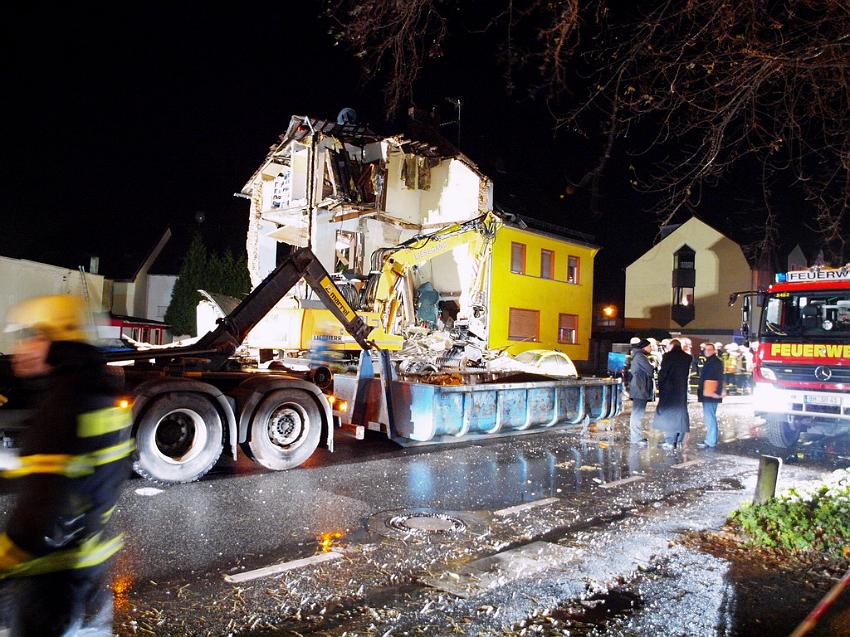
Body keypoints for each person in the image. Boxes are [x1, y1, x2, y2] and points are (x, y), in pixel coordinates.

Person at [0, 295, 133, 635]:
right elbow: (90, 472)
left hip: (52, 590)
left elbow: (41, 512)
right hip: (90, 575)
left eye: (32, 336)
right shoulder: (100, 392)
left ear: (56, 340)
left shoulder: (64, 404)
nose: (22, 347)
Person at [653, 338, 692, 449]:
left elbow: (663, 373)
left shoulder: (668, 356)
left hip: (669, 390)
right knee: (681, 414)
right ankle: (679, 440)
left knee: (669, 415)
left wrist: (660, 384)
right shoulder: (688, 357)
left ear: (672, 346)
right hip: (681, 391)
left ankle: (670, 441)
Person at [627, 339, 655, 446]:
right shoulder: (640, 357)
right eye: (650, 346)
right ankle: (636, 438)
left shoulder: (639, 356)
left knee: (638, 413)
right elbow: (650, 370)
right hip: (640, 388)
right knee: (637, 413)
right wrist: (653, 366)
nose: (651, 348)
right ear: (644, 347)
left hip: (640, 387)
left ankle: (636, 437)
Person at [697, 342, 724, 448]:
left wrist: (716, 392)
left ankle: (710, 441)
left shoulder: (715, 362)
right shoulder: (712, 361)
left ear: (714, 351)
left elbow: (719, 377)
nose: (707, 351)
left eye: (709, 349)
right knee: (710, 417)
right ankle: (711, 439)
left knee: (710, 417)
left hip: (710, 393)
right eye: (706, 349)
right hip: (709, 393)